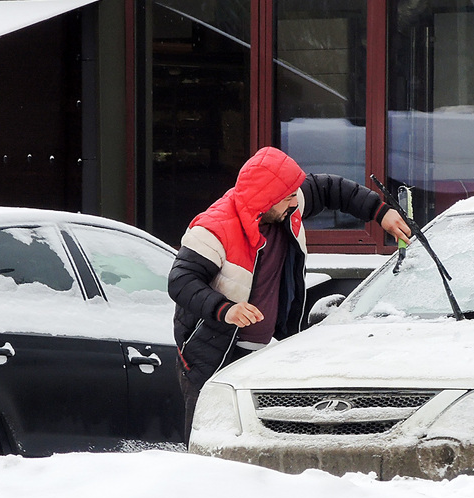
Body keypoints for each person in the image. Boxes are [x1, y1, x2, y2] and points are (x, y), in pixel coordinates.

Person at [167, 146, 411, 439]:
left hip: (267, 352)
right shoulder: (213, 230)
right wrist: (226, 309)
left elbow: (329, 188)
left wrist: (380, 212)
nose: (296, 203)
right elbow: (181, 281)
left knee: (262, 444)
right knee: (210, 439)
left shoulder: (285, 205)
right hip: (211, 357)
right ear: (264, 200)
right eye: (288, 199)